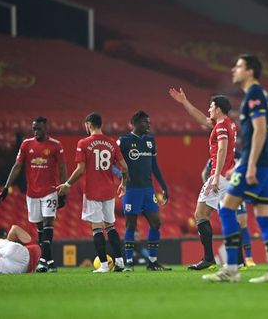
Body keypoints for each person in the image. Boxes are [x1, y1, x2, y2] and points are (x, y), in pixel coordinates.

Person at [202, 54, 268, 283]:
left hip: (256, 165)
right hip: (266, 164)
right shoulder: (258, 95)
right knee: (264, 216)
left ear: (250, 71)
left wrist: (248, 165)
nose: (233, 69)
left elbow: (259, 131)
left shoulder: (255, 95)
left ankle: (231, 269)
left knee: (227, 208)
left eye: (238, 66)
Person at [168, 89, 238, 270]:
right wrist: (184, 101)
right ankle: (234, 259)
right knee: (228, 216)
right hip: (229, 176)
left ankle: (208, 258)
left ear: (219, 109)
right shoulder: (228, 124)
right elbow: (201, 118)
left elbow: (222, 149)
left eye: (212, 107)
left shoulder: (221, 127)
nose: (209, 110)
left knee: (200, 215)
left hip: (220, 176)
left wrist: (215, 176)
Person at [57, 113, 128, 273]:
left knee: (97, 228)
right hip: (109, 191)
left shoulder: (83, 142)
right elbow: (124, 167)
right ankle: (120, 262)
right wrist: (123, 184)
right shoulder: (111, 143)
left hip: (92, 191)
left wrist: (67, 184)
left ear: (89, 124)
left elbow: (81, 169)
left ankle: (103, 265)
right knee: (111, 227)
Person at [0, 116, 67, 273]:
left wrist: (63, 189)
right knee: (40, 228)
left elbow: (62, 168)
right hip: (32, 193)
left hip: (50, 191)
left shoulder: (55, 145)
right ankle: (49, 261)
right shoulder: (26, 144)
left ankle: (42, 260)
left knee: (49, 224)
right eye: (34, 128)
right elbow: (17, 166)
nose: (35, 131)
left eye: (38, 128)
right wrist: (6, 187)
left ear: (45, 128)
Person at [118, 111, 170, 271]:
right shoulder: (123, 141)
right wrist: (122, 179)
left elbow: (154, 165)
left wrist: (163, 185)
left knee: (156, 222)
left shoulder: (150, 141)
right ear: (135, 123)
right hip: (132, 190)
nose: (148, 125)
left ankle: (152, 262)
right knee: (131, 226)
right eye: (145, 122)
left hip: (148, 190)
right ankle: (129, 263)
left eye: (149, 122)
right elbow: (114, 164)